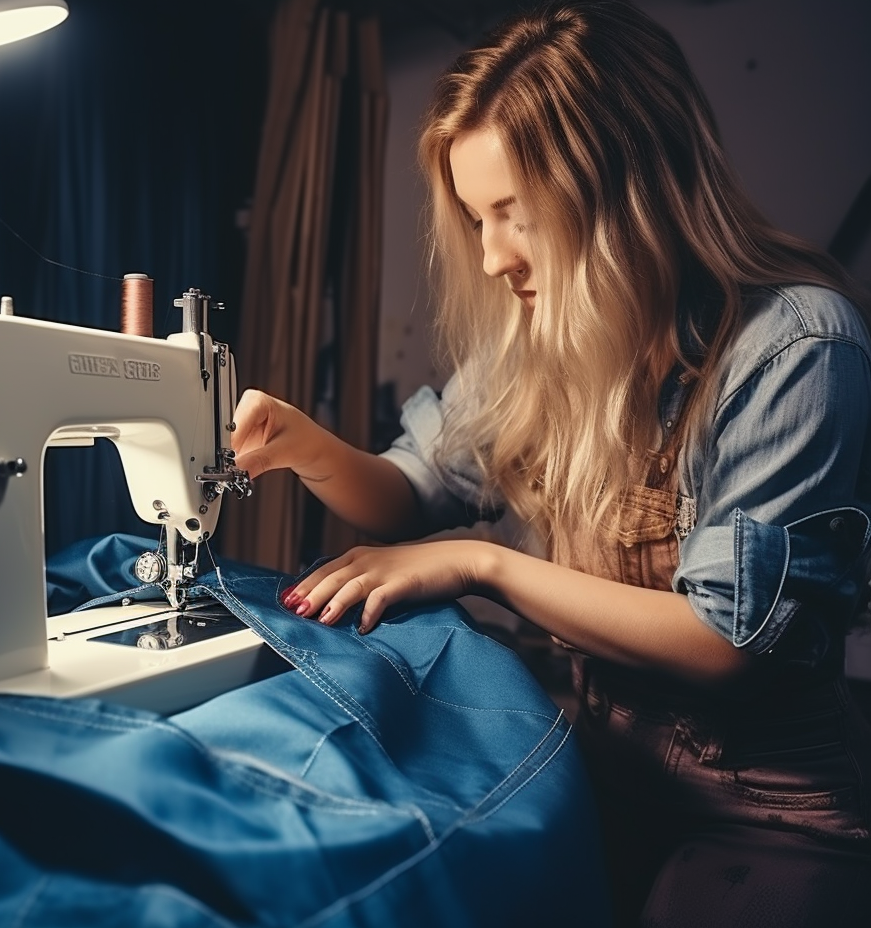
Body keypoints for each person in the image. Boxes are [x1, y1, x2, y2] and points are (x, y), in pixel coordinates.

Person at [230, 1, 871, 925]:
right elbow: (406, 498)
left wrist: (484, 564)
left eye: (513, 215)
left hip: (770, 823)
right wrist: (302, 444)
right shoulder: (544, 345)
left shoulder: (797, 345)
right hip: (609, 786)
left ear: (623, 188)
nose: (490, 258)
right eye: (473, 218)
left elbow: (729, 642)